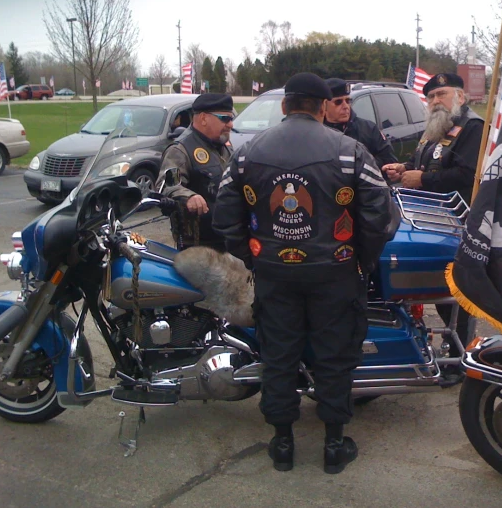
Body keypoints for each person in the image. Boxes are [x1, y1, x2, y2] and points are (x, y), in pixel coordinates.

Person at [213, 73, 393, 474]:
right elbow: (380, 217)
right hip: (336, 273)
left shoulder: (245, 153)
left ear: (284, 105)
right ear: (323, 107)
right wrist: (360, 261)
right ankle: (333, 445)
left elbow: (224, 217)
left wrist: (256, 256)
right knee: (335, 355)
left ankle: (282, 445)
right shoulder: (351, 151)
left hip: (275, 274)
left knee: (278, 355)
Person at [382, 73, 484, 359]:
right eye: (431, 97)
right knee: (438, 290)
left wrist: (423, 179)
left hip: (459, 223)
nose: (436, 101)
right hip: (432, 221)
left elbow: (468, 175)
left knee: (455, 295)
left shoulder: (472, 128)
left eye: (442, 94)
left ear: (460, 97)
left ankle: (460, 357)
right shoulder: (436, 127)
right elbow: (421, 162)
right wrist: (403, 169)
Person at [156, 93, 235, 251]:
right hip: (199, 245)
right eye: (224, 119)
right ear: (204, 118)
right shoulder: (180, 150)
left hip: (227, 238)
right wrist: (189, 196)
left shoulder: (224, 145)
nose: (231, 124)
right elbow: (166, 186)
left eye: (231, 118)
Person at [323, 78, 398, 174]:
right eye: (338, 102)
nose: (345, 106)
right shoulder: (317, 132)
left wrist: (360, 166)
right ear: (324, 105)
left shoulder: (368, 128)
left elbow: (389, 161)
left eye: (347, 101)